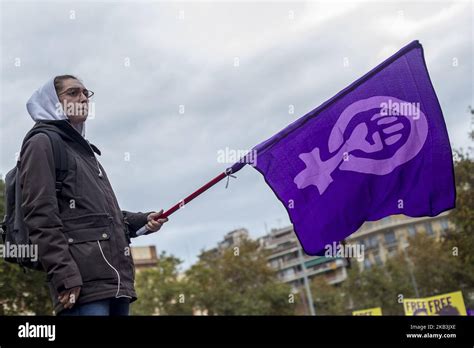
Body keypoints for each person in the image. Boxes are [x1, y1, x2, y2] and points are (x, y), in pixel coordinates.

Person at [20, 75, 168, 315]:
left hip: (115, 284)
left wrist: (143, 221)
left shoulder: (85, 152)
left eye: (86, 94)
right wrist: (65, 274)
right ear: (51, 101)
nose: (82, 98)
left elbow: (96, 217)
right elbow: (40, 216)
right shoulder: (42, 143)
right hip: (81, 288)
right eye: (72, 93)